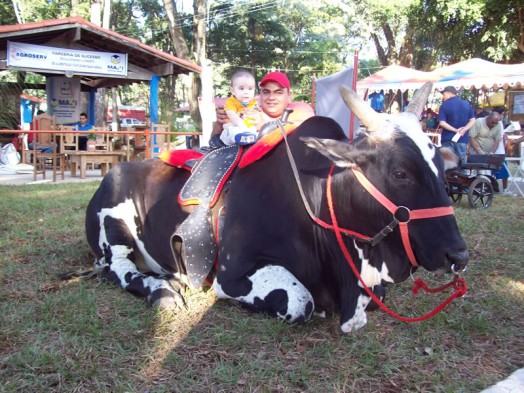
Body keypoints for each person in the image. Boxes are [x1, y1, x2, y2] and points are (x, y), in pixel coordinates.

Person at [210, 71, 314, 148]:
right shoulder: (250, 109)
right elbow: (214, 142)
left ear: (289, 95)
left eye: (278, 92)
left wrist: (266, 124)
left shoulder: (300, 109)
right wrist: (220, 123)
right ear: (260, 95)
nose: (271, 97)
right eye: (266, 92)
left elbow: (308, 130)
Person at [219, 70, 259, 145]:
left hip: (248, 129)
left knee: (257, 131)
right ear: (233, 91)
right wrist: (242, 127)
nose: (246, 92)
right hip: (235, 126)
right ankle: (238, 138)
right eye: (241, 88)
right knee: (231, 131)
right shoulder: (231, 101)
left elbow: (258, 115)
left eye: (250, 89)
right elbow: (232, 115)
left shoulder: (254, 103)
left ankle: (250, 137)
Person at [437, 86, 476, 164]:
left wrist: (455, 130)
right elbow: (472, 120)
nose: (443, 97)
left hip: (447, 139)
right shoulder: (466, 104)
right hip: (462, 139)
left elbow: (442, 123)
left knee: (447, 164)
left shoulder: (444, 106)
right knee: (462, 164)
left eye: (444, 95)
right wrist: (464, 129)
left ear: (449, 93)